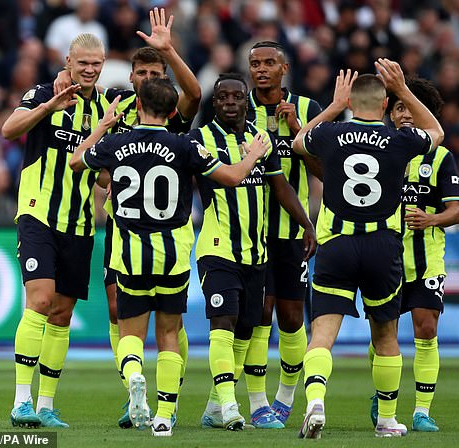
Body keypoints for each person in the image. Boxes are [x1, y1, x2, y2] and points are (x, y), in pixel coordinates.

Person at [69, 77, 270, 436]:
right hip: (173, 254)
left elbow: (75, 163)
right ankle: (164, 416)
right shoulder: (184, 145)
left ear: (139, 106)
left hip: (129, 252)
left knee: (130, 332)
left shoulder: (115, 143)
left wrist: (102, 126)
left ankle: (134, 377)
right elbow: (232, 177)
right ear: (174, 111)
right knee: (168, 334)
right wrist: (252, 154)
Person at [55, 7, 201, 429]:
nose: (149, 79)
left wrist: (169, 51)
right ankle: (132, 394)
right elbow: (100, 171)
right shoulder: (114, 111)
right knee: (120, 310)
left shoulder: (169, 114)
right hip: (123, 230)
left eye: (156, 72)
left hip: (158, 233)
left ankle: (165, 394)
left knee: (165, 321)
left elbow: (193, 93)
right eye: (143, 72)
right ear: (133, 76)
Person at [292, 60, 444, 439]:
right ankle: (387, 420)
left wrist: (331, 106)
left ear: (350, 102)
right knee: (386, 336)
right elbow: (436, 131)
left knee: (322, 333)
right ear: (383, 105)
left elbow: (298, 144)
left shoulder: (330, 134)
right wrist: (405, 89)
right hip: (382, 247)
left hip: (337, 245)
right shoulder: (399, 140)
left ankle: (314, 401)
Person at [192, 73, 316, 431]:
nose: (230, 102)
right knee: (223, 323)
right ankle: (232, 407)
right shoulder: (199, 139)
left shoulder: (259, 138)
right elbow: (227, 177)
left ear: (246, 101)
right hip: (217, 249)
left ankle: (215, 406)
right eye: (223, 97)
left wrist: (306, 223)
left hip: (255, 253)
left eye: (237, 96)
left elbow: (281, 187)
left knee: (247, 331)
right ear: (214, 104)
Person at [1, 32, 111, 429]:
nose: (90, 70)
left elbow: (100, 179)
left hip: (79, 222)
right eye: (83, 63)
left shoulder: (104, 109)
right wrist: (50, 105)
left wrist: (109, 171)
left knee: (62, 315)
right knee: (41, 300)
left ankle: (46, 404)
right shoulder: (44, 92)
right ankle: (21, 401)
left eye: (96, 64)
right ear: (68, 61)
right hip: (38, 214)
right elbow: (9, 130)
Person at [369, 77, 459, 432]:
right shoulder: (377, 151)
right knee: (383, 335)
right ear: (389, 113)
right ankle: (383, 396)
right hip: (384, 258)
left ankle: (422, 411)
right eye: (399, 107)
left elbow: (456, 211)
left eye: (411, 106)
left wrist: (431, 218)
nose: (405, 113)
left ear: (428, 112)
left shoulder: (439, 157)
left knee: (426, 328)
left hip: (427, 259)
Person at [243, 40, 323, 427]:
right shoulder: (235, 108)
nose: (261, 69)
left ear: (284, 68)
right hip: (249, 230)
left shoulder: (308, 110)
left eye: (269, 63)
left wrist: (298, 134)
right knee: (260, 313)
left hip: (292, 233)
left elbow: (327, 171)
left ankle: (285, 397)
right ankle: (257, 403)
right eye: (255, 63)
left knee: (292, 318)